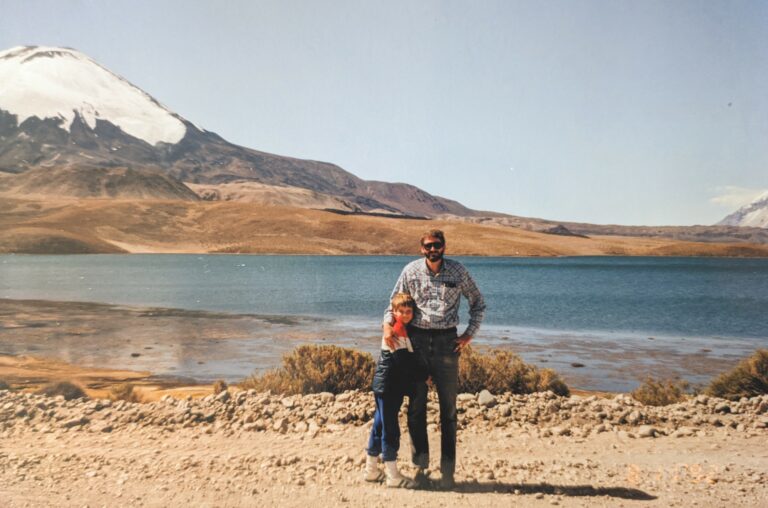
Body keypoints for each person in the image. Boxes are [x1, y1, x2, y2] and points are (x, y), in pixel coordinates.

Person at [382, 229, 485, 489]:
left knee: (448, 410)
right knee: (416, 409)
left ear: (444, 246)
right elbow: (391, 304)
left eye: (437, 245)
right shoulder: (410, 271)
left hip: (447, 343)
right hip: (416, 343)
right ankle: (421, 468)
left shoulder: (458, 272)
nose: (432, 249)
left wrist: (468, 335)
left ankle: (448, 471)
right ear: (422, 249)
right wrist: (387, 327)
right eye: (428, 246)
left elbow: (478, 303)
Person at [364, 293, 421, 488]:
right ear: (393, 312)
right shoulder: (397, 330)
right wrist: (423, 376)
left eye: (409, 311)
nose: (405, 315)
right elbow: (404, 362)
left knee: (379, 425)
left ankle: (371, 470)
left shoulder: (401, 328)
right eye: (401, 311)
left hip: (384, 385)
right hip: (389, 385)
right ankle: (392, 475)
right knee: (390, 429)